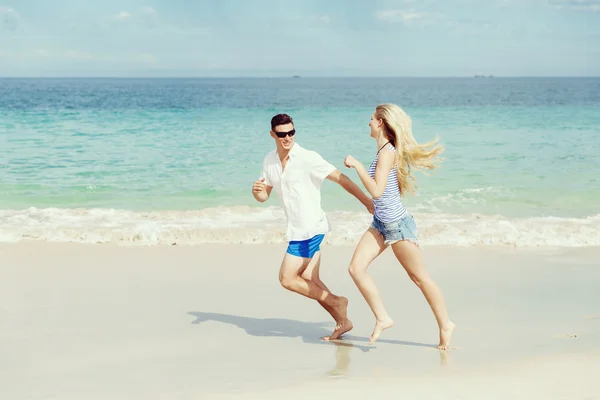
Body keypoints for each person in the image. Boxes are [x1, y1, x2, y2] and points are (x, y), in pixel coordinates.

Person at [343, 103, 456, 350]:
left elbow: (376, 190)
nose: (369, 122)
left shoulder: (387, 152)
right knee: (355, 268)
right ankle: (383, 317)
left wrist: (358, 166)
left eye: (372, 118)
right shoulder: (383, 150)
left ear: (381, 122)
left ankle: (445, 324)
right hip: (381, 223)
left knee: (420, 278)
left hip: (397, 227)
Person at [252, 113, 374, 341]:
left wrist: (367, 201)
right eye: (282, 134)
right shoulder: (269, 160)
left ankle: (338, 302)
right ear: (272, 135)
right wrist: (257, 193)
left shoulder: (307, 158)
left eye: (291, 132)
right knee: (310, 280)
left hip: (311, 228)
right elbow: (264, 195)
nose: (287, 137)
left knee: (287, 279)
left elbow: (342, 179)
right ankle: (343, 322)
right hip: (295, 229)